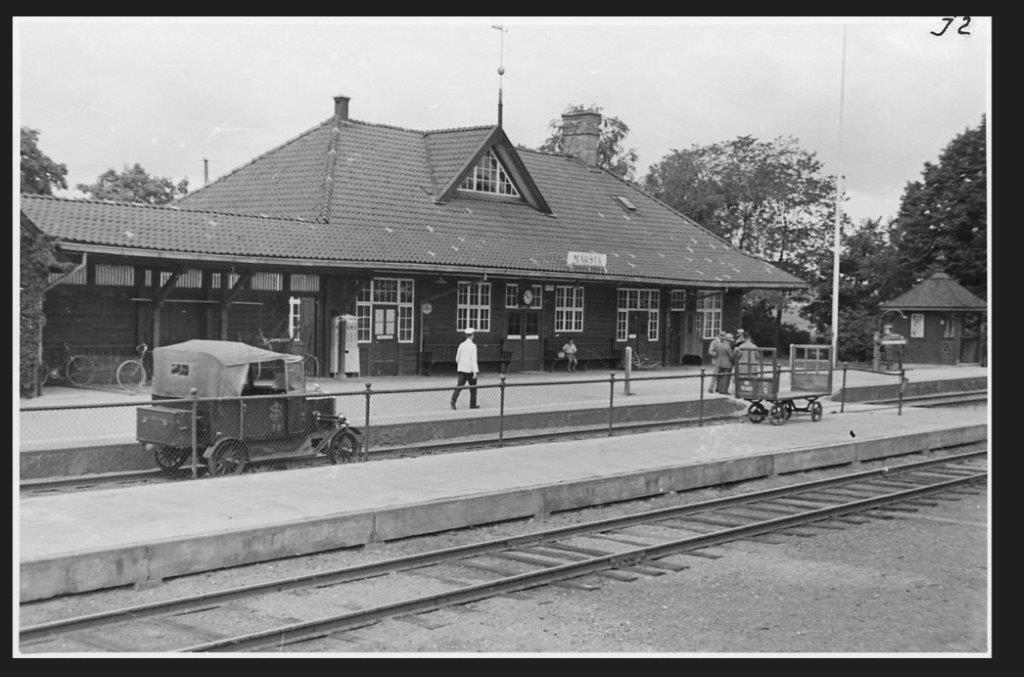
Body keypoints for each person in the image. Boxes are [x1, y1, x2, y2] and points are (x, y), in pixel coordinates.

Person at [450, 327, 480, 410]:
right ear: (472, 335)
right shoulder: (473, 346)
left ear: (466, 335)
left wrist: (460, 365)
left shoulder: (461, 345)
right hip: (470, 371)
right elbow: (474, 360)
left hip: (462, 370)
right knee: (473, 388)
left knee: (459, 386)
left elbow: (457, 358)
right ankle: (473, 404)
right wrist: (475, 372)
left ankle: (453, 400)